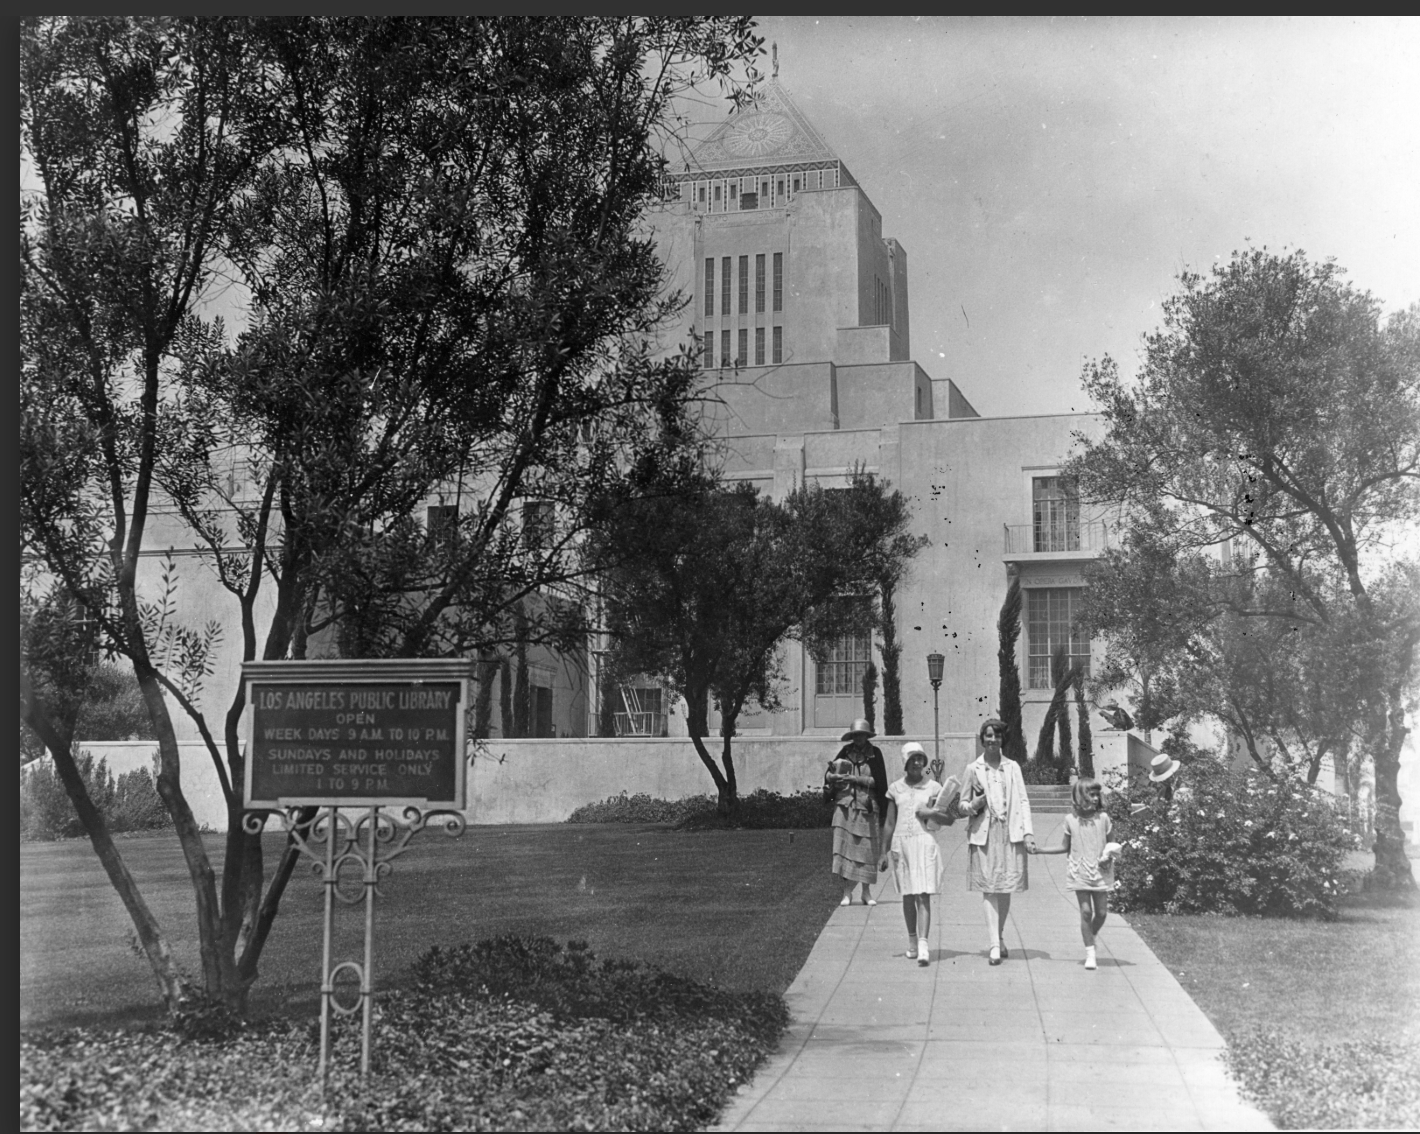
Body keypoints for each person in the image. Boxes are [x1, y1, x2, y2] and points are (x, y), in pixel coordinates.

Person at [958, 718, 1036, 965]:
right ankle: (994, 944)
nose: (993, 740)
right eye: (989, 736)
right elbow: (960, 805)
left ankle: (999, 936)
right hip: (985, 833)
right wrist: (974, 805)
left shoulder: (1012, 768)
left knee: (1005, 888)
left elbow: (1023, 801)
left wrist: (1028, 833)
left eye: (997, 736)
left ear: (1003, 740)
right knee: (990, 888)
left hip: (1010, 832)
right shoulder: (973, 769)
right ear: (982, 739)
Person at [1035, 777, 1118, 970]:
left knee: (1102, 913)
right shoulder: (1070, 820)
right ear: (1080, 796)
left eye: (1098, 794)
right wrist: (1040, 850)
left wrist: (1109, 856)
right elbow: (1064, 847)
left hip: (1100, 871)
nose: (1096, 798)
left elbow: (1113, 844)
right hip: (1079, 870)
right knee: (1086, 912)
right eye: (1092, 794)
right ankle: (1090, 953)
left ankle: (1091, 935)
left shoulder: (1103, 819)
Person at [878, 742, 944, 966]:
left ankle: (924, 945)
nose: (917, 763)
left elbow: (945, 818)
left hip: (924, 842)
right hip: (901, 843)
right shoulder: (895, 788)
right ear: (905, 763)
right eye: (913, 759)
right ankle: (912, 942)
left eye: (920, 759)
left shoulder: (933, 787)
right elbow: (889, 822)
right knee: (907, 894)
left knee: (923, 893)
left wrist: (932, 813)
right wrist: (883, 852)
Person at [824, 718, 888, 906]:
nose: (859, 738)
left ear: (867, 736)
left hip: (866, 807)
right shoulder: (845, 752)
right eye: (856, 735)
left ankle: (866, 892)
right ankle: (846, 892)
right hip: (845, 808)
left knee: (867, 851)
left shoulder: (875, 754)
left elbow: (879, 782)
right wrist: (832, 776)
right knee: (845, 850)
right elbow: (828, 775)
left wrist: (856, 779)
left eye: (862, 735)